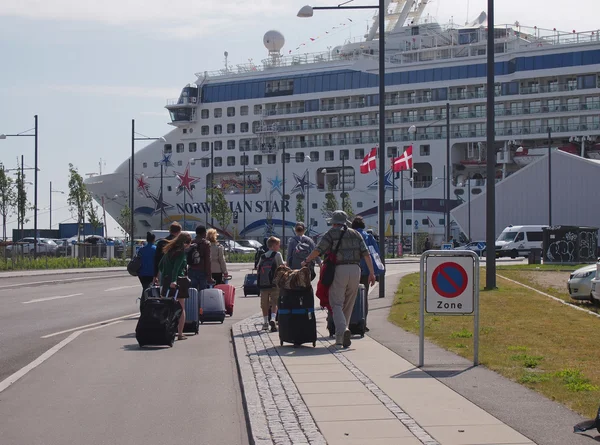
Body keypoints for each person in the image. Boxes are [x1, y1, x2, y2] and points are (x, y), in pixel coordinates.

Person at [303, 210, 376, 349]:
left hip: (339, 270)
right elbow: (366, 254)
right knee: (348, 304)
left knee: (336, 303)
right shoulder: (356, 234)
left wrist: (307, 260)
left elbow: (318, 250)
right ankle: (339, 339)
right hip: (356, 270)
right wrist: (372, 273)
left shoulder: (330, 233)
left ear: (333, 222)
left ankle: (343, 330)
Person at [351, 216, 382, 332]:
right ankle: (362, 323)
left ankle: (349, 321)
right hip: (365, 271)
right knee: (363, 297)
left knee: (349, 295)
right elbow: (375, 254)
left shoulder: (349, 235)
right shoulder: (368, 237)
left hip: (350, 269)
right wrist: (374, 272)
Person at [159, 231, 192, 340]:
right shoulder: (180, 253)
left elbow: (160, 266)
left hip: (165, 280)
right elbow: (176, 268)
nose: (189, 245)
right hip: (178, 281)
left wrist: (165, 277)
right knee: (181, 308)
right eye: (188, 243)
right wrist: (174, 280)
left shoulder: (168, 250)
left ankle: (163, 331)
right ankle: (180, 333)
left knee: (165, 307)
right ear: (184, 243)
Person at [256, 236, 284, 332]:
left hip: (263, 284)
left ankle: (265, 323)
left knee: (264, 303)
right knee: (274, 302)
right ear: (274, 245)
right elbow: (282, 267)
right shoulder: (277, 254)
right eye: (278, 245)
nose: (279, 247)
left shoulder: (263, 256)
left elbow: (258, 268)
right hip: (274, 283)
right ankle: (272, 318)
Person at [187, 225, 212, 291]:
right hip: (202, 271)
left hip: (191, 270)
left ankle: (192, 301)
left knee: (192, 292)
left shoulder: (191, 243)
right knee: (202, 292)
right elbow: (207, 260)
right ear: (204, 233)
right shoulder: (206, 244)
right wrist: (209, 276)